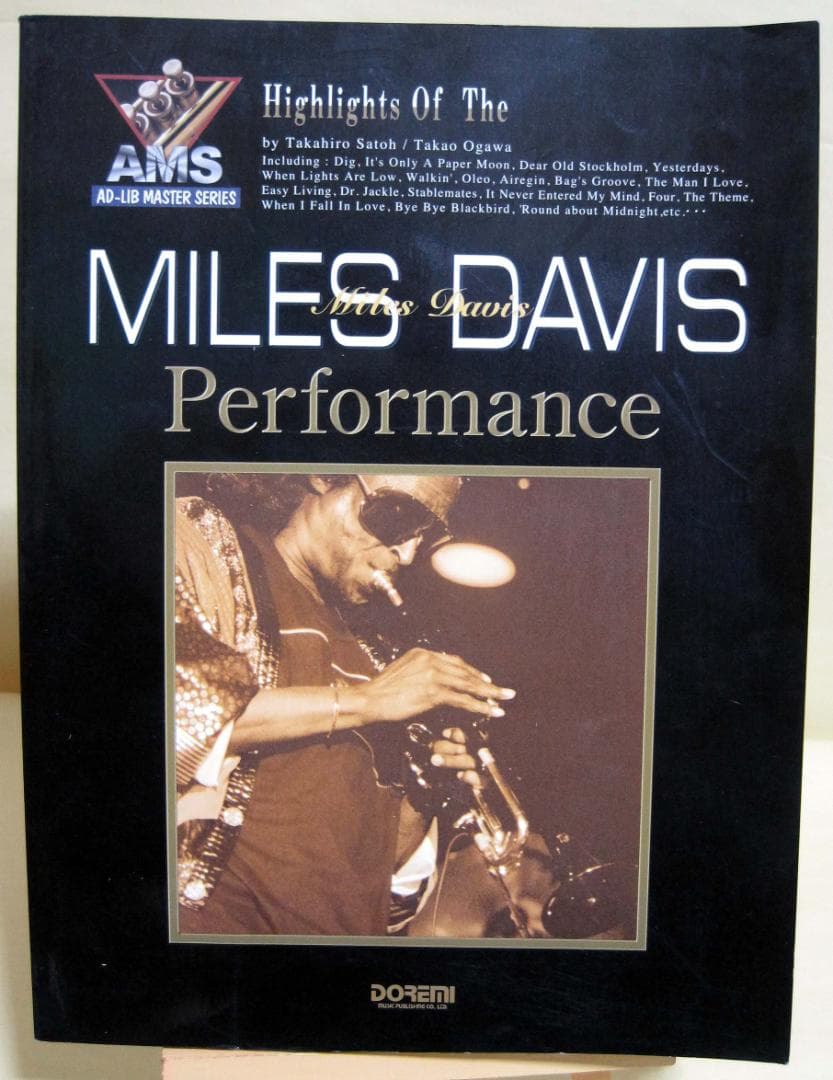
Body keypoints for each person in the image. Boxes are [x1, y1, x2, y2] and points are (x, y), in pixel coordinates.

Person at [174, 472, 516, 936]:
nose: (407, 554)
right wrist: (367, 700)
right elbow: (178, 716)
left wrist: (424, 794)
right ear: (323, 476)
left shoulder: (379, 646)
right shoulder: (203, 540)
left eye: (426, 536)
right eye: (400, 517)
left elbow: (381, 887)